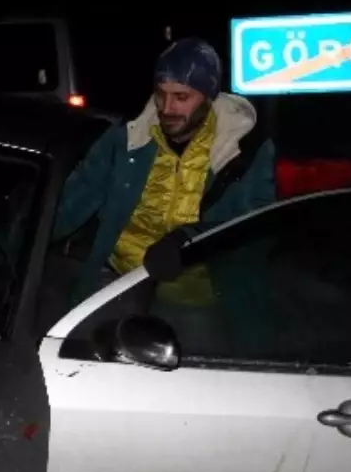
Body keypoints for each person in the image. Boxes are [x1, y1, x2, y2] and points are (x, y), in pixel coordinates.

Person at [49, 37, 276, 309]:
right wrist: (11, 247)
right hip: (120, 283)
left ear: (209, 97)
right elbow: (68, 204)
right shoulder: (127, 140)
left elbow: (258, 229)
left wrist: (191, 238)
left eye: (181, 97)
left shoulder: (243, 150)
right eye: (160, 94)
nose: (167, 108)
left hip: (199, 297)